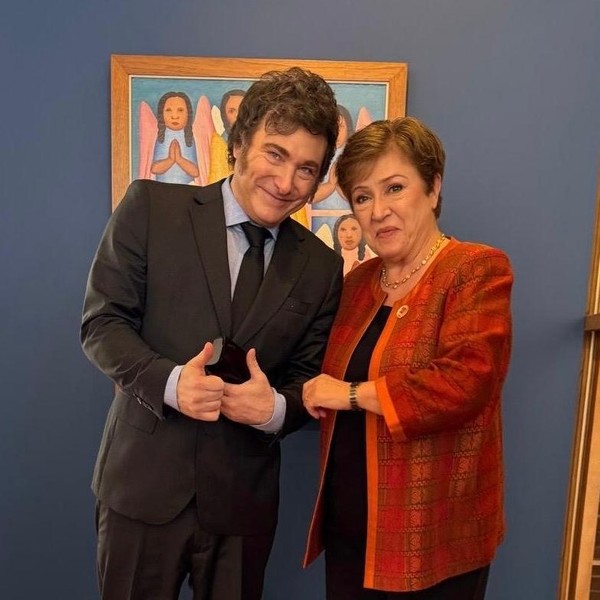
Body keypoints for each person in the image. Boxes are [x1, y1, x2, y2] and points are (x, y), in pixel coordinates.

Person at [81, 67, 343, 600]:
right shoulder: (150, 208)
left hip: (242, 506)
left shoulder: (320, 266)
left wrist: (271, 409)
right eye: (275, 153)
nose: (288, 181)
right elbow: (102, 324)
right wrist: (172, 383)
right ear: (239, 143)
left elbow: (306, 379)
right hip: (142, 490)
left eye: (306, 168)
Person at [302, 116, 513, 599]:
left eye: (394, 187)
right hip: (351, 527)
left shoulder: (474, 269)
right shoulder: (356, 283)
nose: (378, 210)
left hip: (433, 535)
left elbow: (467, 380)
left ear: (433, 188)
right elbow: (316, 372)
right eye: (362, 196)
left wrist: (352, 394)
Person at [151, 91, 200, 184]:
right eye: (168, 110)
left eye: (180, 110)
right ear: (161, 114)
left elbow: (195, 172)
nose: (175, 116)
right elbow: (154, 168)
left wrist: (179, 159)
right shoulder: (161, 138)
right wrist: (170, 160)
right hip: (162, 189)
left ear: (188, 114)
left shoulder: (188, 138)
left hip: (187, 190)